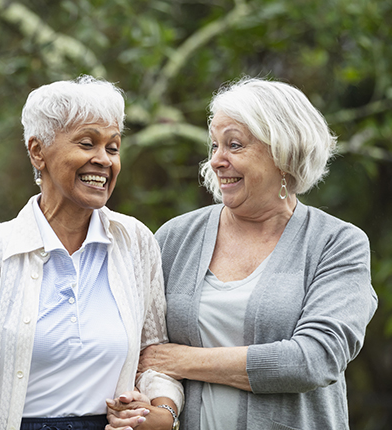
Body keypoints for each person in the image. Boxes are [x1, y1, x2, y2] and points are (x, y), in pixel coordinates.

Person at [107, 77, 378, 430]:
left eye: (234, 145)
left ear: (283, 153)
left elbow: (313, 360)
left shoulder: (336, 243)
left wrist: (183, 360)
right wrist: (153, 407)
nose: (218, 160)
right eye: (214, 145)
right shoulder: (174, 238)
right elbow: (144, 353)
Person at [0, 76, 182, 430]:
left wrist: (161, 411)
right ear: (38, 152)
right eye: (87, 143)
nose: (103, 160)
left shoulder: (136, 243)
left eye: (113, 148)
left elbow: (154, 356)